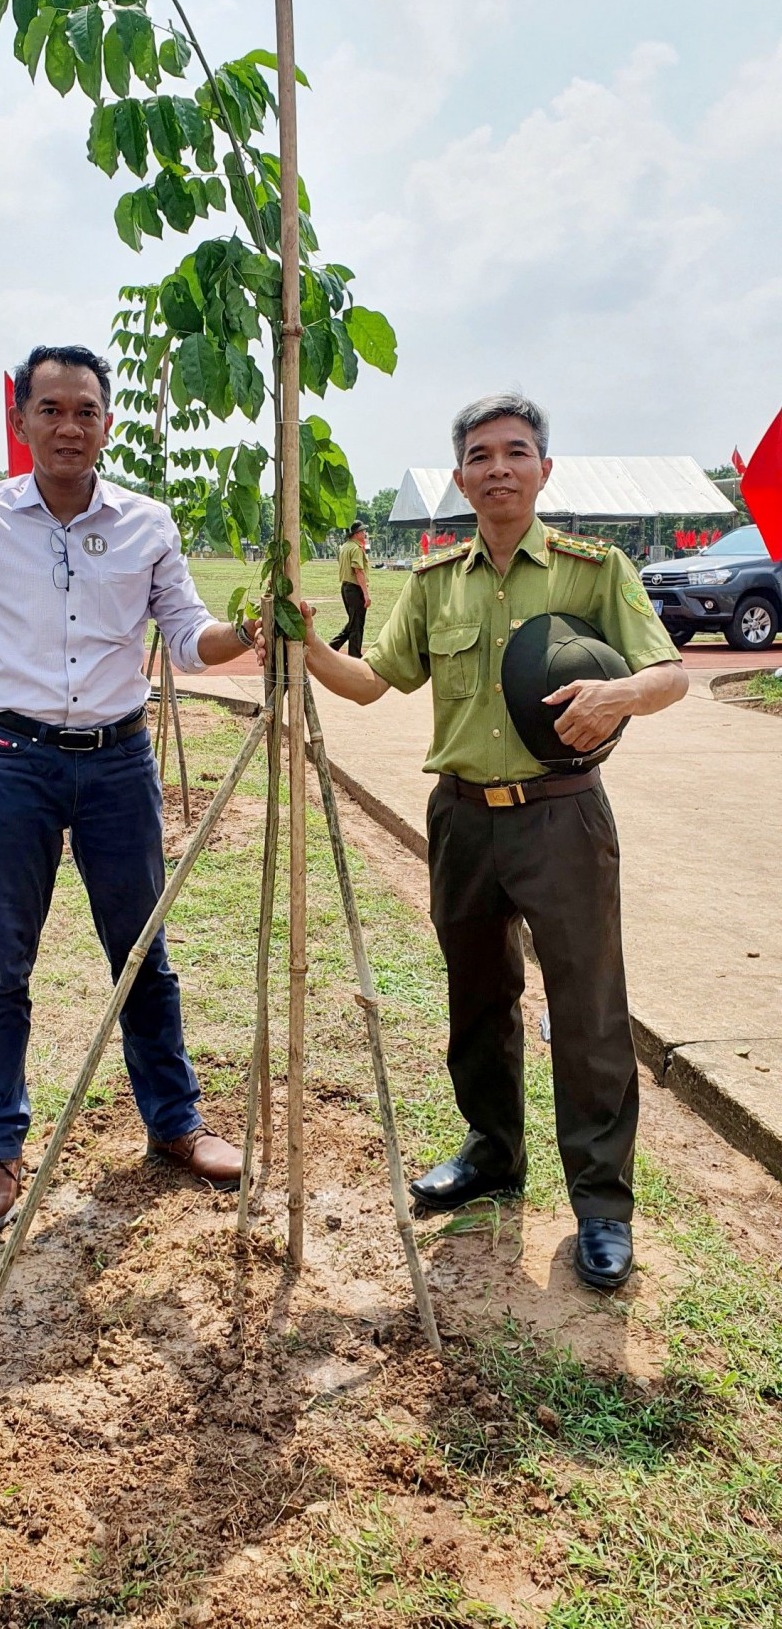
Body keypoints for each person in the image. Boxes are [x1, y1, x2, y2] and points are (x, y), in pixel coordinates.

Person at [297, 394, 687, 1292]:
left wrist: (617, 696)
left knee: (588, 1008)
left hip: (563, 816)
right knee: (476, 995)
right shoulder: (436, 582)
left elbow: (667, 673)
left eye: (517, 452)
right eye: (481, 455)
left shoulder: (595, 571)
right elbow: (371, 683)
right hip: (463, 818)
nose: (499, 467)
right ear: (461, 477)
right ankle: (492, 1153)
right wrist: (307, 641)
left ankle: (600, 1205)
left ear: (544, 470)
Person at [0, 344, 264, 1233]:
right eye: (52, 409)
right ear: (23, 418)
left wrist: (245, 633)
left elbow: (185, 635)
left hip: (117, 763)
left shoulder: (146, 521)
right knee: (2, 964)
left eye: (87, 411)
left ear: (108, 423)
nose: (70, 426)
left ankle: (176, 1125)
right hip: (12, 762)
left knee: (142, 950)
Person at [330, 519, 371, 657]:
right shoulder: (356, 548)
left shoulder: (344, 547)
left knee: (354, 622)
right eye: (363, 531)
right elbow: (358, 571)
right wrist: (366, 594)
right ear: (356, 533)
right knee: (357, 625)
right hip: (355, 588)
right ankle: (354, 656)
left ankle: (332, 647)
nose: (365, 533)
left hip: (345, 587)